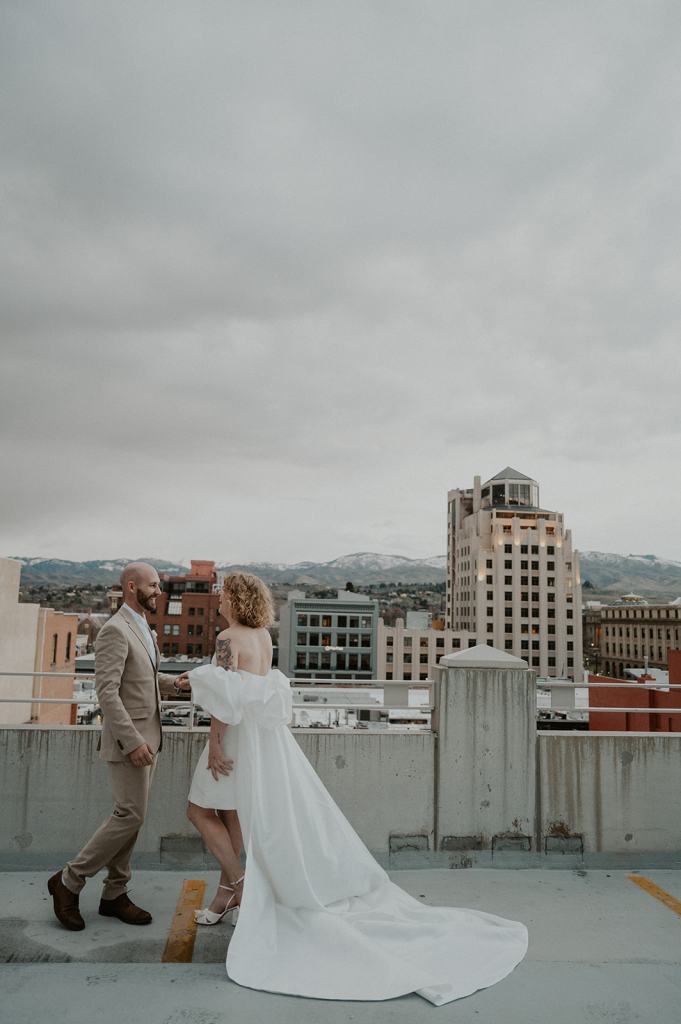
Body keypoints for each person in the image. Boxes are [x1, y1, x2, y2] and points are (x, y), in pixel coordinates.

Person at [176, 572, 528, 1006]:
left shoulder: (228, 638)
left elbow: (226, 699)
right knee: (232, 813)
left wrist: (214, 744)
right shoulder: (263, 636)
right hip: (264, 741)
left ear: (235, 598)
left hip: (234, 739)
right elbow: (252, 688)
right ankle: (226, 897)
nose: (219, 599)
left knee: (199, 811)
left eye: (224, 593)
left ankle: (241, 884)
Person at [48, 562, 176, 930]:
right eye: (153, 585)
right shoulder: (114, 630)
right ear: (132, 587)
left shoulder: (143, 626)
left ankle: (114, 894)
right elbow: (107, 692)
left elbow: (144, 678)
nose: (159, 591)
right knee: (129, 815)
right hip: (129, 741)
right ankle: (69, 880)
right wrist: (131, 741)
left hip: (150, 738)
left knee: (134, 817)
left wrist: (176, 684)